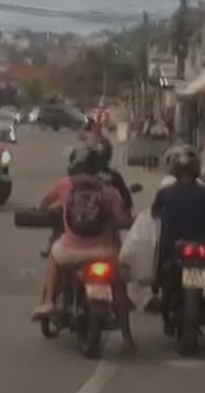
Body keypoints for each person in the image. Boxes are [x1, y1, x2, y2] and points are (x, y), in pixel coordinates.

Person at [34, 145, 134, 349]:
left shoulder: (64, 185)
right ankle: (126, 335)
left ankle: (49, 301)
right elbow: (123, 219)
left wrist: (47, 212)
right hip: (104, 252)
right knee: (119, 286)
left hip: (71, 251)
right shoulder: (109, 191)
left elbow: (42, 205)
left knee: (54, 254)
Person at [152, 146, 205, 347]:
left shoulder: (165, 193)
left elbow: (154, 214)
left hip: (174, 248)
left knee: (162, 269)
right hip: (200, 247)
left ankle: (157, 294)